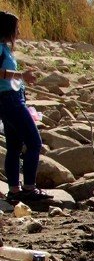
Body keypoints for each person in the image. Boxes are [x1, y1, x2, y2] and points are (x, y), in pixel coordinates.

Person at [0, 11, 50, 203]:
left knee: (14, 146)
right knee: (34, 143)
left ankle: (14, 190)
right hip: (9, 101)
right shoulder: (0, 48)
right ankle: (29, 188)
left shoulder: (4, 48)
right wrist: (21, 76)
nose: (18, 32)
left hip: (10, 99)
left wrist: (22, 81)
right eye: (17, 28)